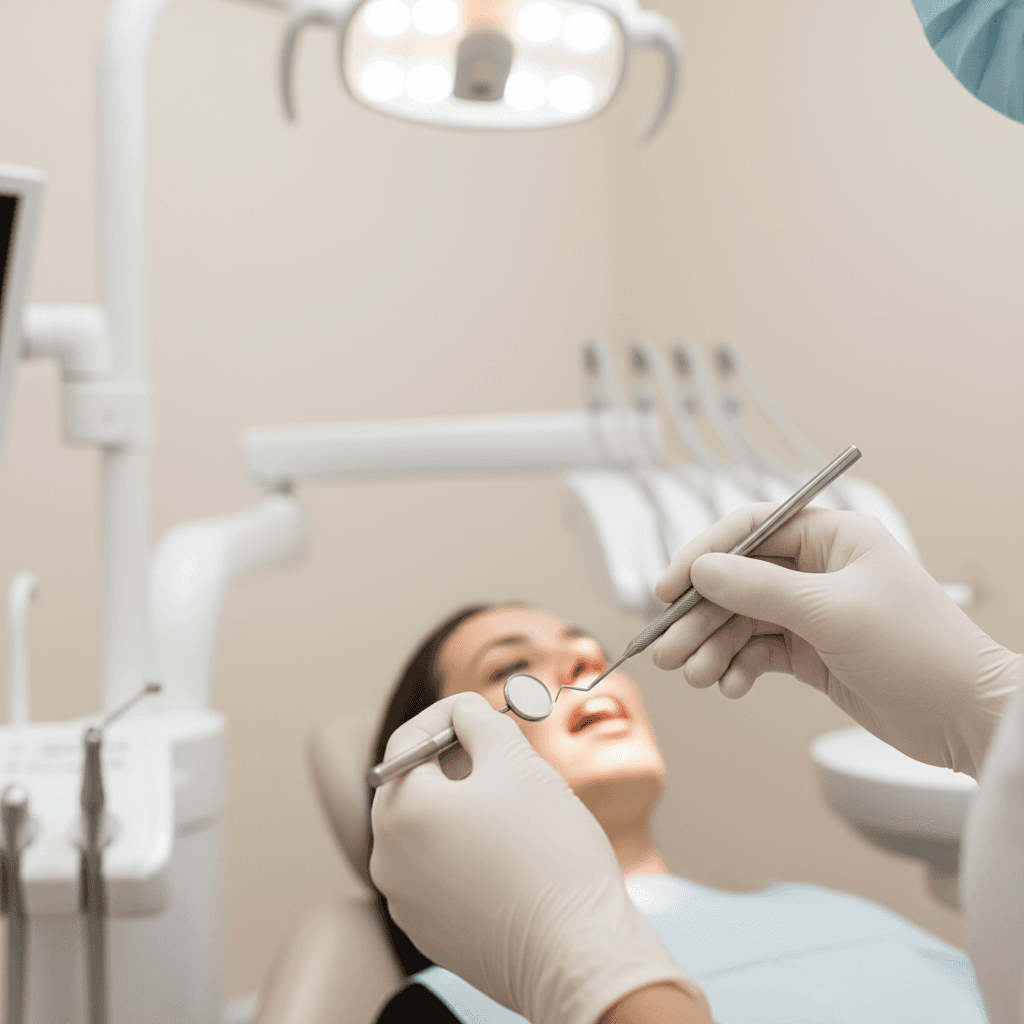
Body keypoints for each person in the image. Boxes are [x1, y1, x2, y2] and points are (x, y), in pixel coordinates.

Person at [370, 508, 1023, 1024]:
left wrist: (985, 711)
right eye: (512, 669)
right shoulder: (439, 1009)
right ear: (441, 775)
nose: (581, 667)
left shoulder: (820, 907)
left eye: (588, 650)